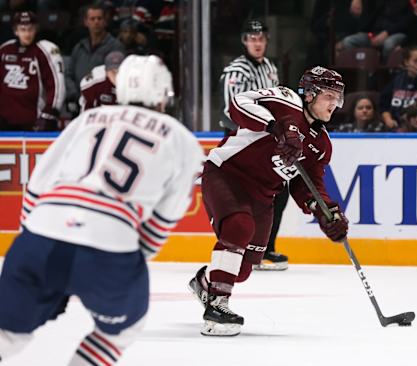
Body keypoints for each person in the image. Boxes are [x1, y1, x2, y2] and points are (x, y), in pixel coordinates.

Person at [0, 55, 204, 364]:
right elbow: (164, 219)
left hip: (40, 236)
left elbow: (38, 185)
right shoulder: (183, 140)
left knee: (8, 333)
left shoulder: (87, 119)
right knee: (123, 329)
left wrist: (35, 243)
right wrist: (123, 261)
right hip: (109, 247)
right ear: (163, 93)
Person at [188, 66, 349, 336]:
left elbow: (306, 184)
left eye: (338, 98)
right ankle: (216, 307)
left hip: (263, 196)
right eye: (329, 96)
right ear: (310, 94)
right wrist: (276, 126)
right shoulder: (285, 99)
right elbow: (239, 103)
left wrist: (325, 212)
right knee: (239, 226)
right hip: (227, 174)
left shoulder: (321, 144)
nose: (334, 104)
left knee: (242, 271)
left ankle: (205, 282)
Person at [219, 19, 287, 270]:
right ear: (244, 41)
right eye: (252, 38)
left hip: (264, 142)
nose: (257, 43)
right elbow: (230, 111)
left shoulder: (269, 67)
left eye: (261, 39)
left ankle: (263, 248)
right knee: (247, 196)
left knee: (278, 191)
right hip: (241, 143)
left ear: (266, 41)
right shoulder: (237, 71)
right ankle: (246, 249)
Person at [0, 11, 65, 131]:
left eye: (30, 29)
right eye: (23, 29)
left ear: (36, 29)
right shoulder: (5, 50)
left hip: (34, 122)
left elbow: (57, 84)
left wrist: (50, 112)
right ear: (16, 31)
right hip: (5, 121)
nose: (27, 33)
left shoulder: (45, 50)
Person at [65, 3, 125, 109]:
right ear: (86, 22)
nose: (96, 22)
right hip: (78, 101)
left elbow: (117, 77)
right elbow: (68, 74)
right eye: (92, 19)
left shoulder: (115, 47)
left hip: (104, 104)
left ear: (105, 21)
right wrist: (77, 95)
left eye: (99, 18)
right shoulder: (79, 47)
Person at [380, 45, 417, 130]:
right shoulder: (396, 79)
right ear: (406, 62)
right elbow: (383, 104)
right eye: (416, 61)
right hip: (395, 127)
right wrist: (388, 119)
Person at [337, 0, 415, 60]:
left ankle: (385, 72)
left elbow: (406, 22)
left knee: (389, 44)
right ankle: (362, 69)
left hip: (396, 33)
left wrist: (387, 33)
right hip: (375, 33)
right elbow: (371, 18)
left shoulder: (407, 3)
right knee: (349, 41)